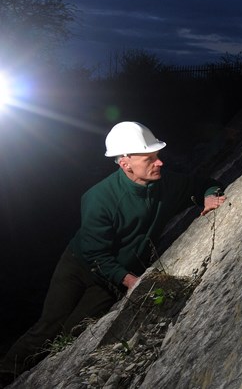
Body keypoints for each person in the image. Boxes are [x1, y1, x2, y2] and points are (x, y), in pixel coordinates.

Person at [0, 121, 226, 383]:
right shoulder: (99, 198)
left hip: (111, 278)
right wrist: (131, 280)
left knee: (74, 330)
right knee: (50, 323)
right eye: (150, 158)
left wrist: (210, 196)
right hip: (79, 266)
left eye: (158, 156)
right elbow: (97, 254)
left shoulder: (167, 185)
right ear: (125, 164)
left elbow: (204, 183)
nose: (160, 163)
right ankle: (7, 372)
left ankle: (48, 371)